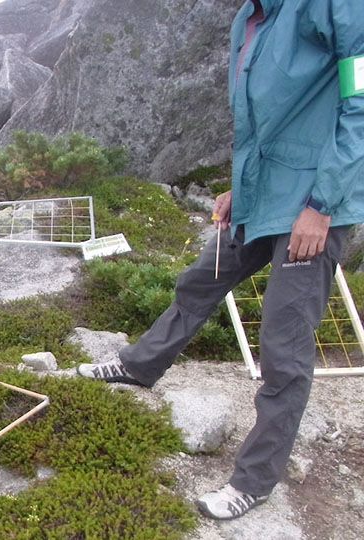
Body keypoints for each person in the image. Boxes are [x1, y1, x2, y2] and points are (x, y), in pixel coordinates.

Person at [77, 0, 364, 521]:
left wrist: (322, 207)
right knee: (199, 282)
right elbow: (256, 122)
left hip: (311, 206)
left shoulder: (333, 7)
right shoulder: (246, 19)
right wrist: (238, 187)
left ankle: (253, 482)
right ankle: (140, 367)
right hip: (259, 198)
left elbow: (361, 103)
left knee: (283, 345)